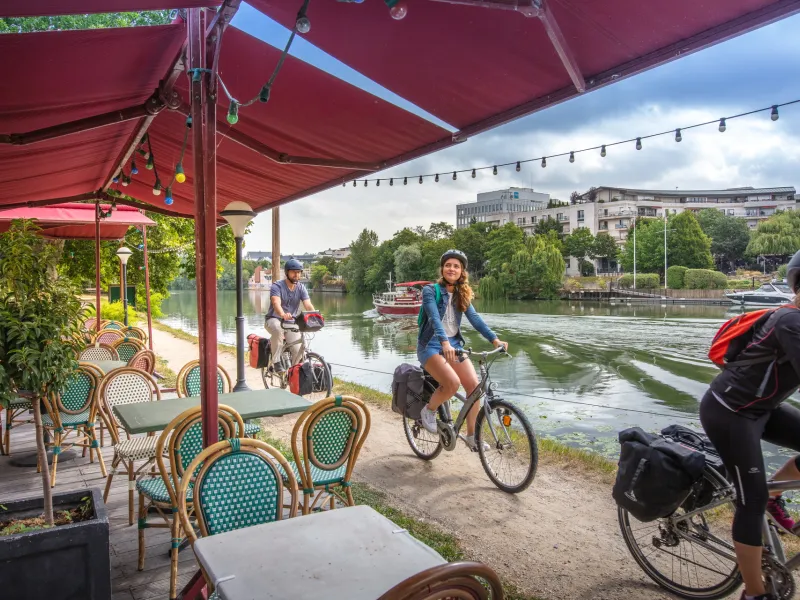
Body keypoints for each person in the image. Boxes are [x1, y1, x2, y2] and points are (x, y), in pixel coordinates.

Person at [699, 250, 800, 600]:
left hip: (763, 407)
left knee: (762, 495)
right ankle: (754, 593)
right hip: (729, 412)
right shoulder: (790, 322)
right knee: (749, 499)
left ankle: (775, 494)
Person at [417, 249, 508, 451]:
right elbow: (433, 317)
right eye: (448, 265)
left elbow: (475, 319)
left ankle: (471, 436)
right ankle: (428, 411)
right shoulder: (430, 291)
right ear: (442, 268)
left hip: (455, 346)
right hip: (431, 345)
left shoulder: (461, 293)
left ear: (462, 271)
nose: (452, 268)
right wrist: (444, 342)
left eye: (456, 266)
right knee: (451, 384)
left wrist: (495, 340)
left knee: (475, 389)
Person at [265, 258, 315, 372]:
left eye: (298, 272)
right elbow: (276, 303)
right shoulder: (277, 286)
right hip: (273, 319)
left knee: (298, 350)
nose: (296, 275)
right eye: (293, 272)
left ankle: (293, 372)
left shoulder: (301, 287)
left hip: (290, 322)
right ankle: (276, 361)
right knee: (277, 329)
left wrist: (315, 316)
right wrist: (282, 314)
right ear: (287, 272)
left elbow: (308, 304)